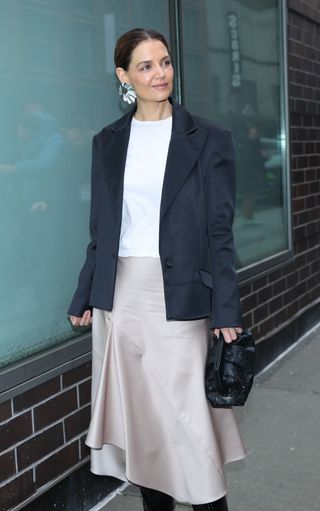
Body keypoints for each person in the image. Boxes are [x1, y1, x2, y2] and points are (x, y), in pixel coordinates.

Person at [68, 28, 245, 511]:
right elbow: (102, 228)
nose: (160, 73)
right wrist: (86, 292)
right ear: (124, 76)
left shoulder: (210, 139)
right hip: (122, 299)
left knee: (189, 423)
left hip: (182, 297)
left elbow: (220, 233)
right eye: (145, 66)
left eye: (164, 62)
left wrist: (227, 308)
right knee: (144, 424)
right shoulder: (108, 141)